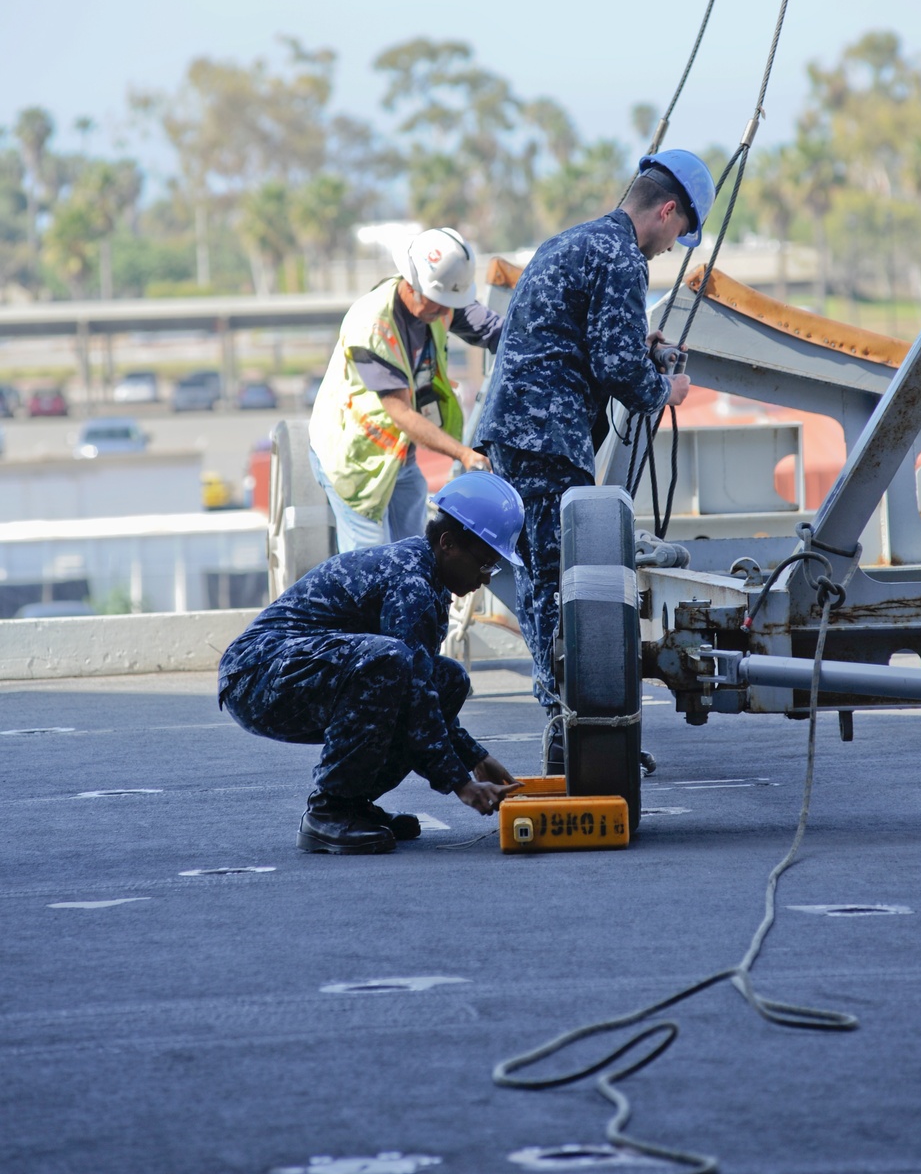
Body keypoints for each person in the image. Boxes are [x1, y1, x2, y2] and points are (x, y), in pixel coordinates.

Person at [475, 150, 716, 766]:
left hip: (518, 432)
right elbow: (614, 368)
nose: (672, 246)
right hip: (548, 437)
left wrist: (641, 344)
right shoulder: (622, 257)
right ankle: (578, 731)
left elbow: (575, 333)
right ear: (667, 210)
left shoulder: (574, 241)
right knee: (565, 586)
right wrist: (666, 389)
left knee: (541, 580)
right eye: (680, 232)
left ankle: (571, 717)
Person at [218, 472, 526, 854]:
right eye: (484, 565)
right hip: (256, 675)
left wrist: (477, 758)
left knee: (447, 679)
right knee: (389, 661)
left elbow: (424, 691)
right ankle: (328, 813)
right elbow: (412, 691)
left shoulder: (428, 577)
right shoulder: (410, 582)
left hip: (292, 671)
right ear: (448, 544)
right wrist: (461, 783)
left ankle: (352, 804)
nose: (484, 580)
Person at [309, 227, 501, 553]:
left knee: (414, 555)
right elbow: (400, 411)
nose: (444, 314)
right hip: (356, 459)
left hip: (399, 457)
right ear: (411, 286)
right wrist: (463, 454)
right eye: (439, 304)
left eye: (449, 305)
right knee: (370, 567)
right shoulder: (371, 325)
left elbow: (498, 331)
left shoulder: (439, 302)